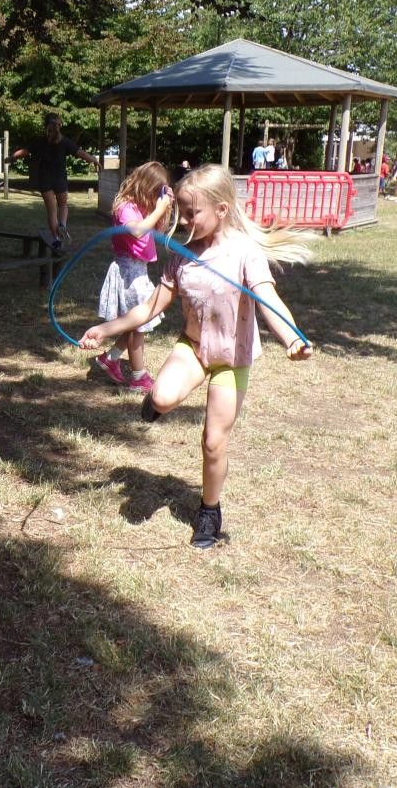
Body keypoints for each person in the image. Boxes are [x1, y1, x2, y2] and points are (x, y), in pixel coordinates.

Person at [79, 164, 313, 549]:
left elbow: (268, 299)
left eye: (192, 213)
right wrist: (105, 329)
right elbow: (149, 308)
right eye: (182, 212)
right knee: (161, 397)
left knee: (212, 442)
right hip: (194, 347)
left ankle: (209, 510)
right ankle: (155, 404)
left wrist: (292, 338)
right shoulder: (183, 256)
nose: (184, 220)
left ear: (221, 209)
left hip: (231, 360)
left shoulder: (244, 254)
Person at [91, 162, 174, 393]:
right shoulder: (125, 207)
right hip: (128, 272)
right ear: (146, 186)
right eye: (155, 192)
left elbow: (157, 231)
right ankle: (138, 377)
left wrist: (164, 208)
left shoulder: (143, 207)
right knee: (138, 327)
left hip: (139, 270)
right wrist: (157, 209)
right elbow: (137, 231)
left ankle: (110, 358)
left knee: (135, 321)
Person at [8, 113, 99, 250]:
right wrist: (94, 160)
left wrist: (11, 158)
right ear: (60, 125)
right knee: (63, 205)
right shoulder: (66, 142)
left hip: (45, 179)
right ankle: (62, 225)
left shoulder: (40, 142)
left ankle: (56, 239)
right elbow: (81, 153)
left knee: (51, 211)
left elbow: (24, 152)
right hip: (60, 178)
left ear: (45, 125)